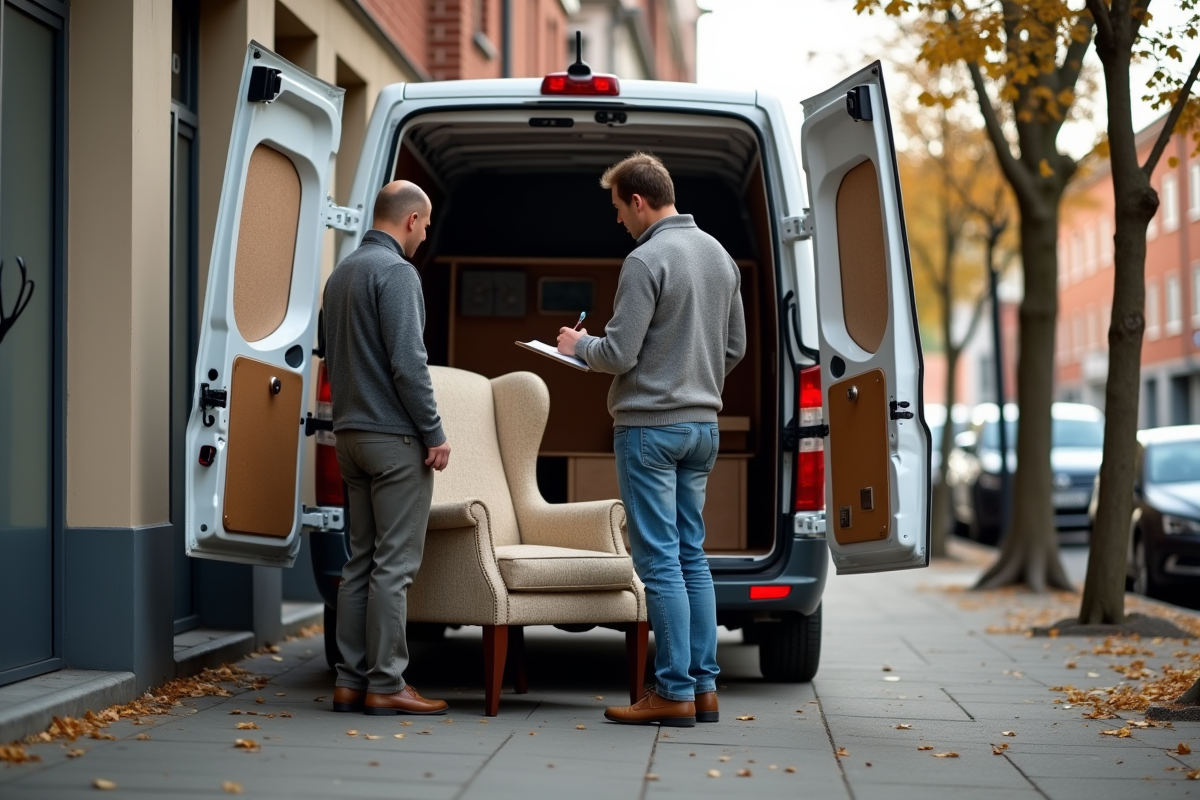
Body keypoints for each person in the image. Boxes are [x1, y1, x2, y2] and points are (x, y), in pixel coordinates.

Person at [557, 152, 746, 727]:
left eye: (619, 209)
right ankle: (704, 688)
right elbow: (733, 347)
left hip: (649, 431)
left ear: (638, 201)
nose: (619, 220)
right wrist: (694, 379)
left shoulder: (645, 260)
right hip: (703, 428)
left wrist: (575, 347)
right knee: (693, 556)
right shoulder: (719, 255)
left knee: (659, 562)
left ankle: (671, 692)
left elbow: (618, 353)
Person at [322, 180, 452, 716]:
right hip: (394, 441)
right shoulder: (398, 273)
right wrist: (435, 432)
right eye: (424, 226)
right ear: (413, 220)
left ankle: (349, 681)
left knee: (359, 562)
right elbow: (408, 363)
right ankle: (387, 683)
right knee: (394, 568)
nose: (423, 236)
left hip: (348, 437)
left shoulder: (341, 273)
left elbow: (334, 356)